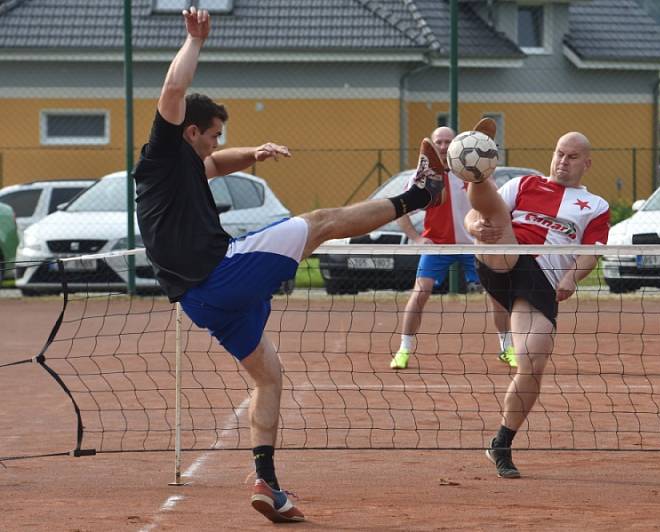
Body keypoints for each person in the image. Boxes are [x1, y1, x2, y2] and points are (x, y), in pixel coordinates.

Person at [132, 7, 447, 523]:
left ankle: (268, 484)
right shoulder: (163, 152)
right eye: (212, 133)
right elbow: (172, 91)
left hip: (200, 301)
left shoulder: (183, 168)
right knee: (321, 222)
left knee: (269, 377)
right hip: (222, 272)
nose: (216, 142)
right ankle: (421, 194)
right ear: (188, 131)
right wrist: (194, 42)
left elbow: (215, 163)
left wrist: (253, 152)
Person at [463, 120, 610, 478]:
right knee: (496, 215)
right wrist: (474, 228)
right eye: (559, 154)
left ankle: (501, 442)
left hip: (540, 281)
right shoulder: (524, 183)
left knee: (533, 358)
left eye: (572, 157)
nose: (563, 161)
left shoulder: (595, 205)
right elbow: (472, 216)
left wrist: (572, 279)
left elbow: (590, 254)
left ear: (586, 163)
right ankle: (476, 169)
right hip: (502, 255)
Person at [391, 126, 513, 370]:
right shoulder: (423, 178)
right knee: (420, 294)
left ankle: (507, 348)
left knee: (497, 296)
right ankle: (404, 349)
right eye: (440, 142)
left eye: (449, 141)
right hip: (437, 245)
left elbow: (495, 205)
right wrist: (416, 238)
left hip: (473, 245)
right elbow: (400, 211)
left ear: (457, 144)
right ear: (433, 146)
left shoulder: (474, 172)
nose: (444, 146)